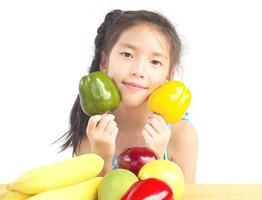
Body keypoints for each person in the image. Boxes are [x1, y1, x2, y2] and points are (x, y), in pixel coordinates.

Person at [57, 9, 198, 183]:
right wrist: (102, 158)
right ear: (104, 62)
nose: (138, 70)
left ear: (167, 77)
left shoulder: (181, 135)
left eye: (155, 62)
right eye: (127, 55)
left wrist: (156, 159)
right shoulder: (91, 135)